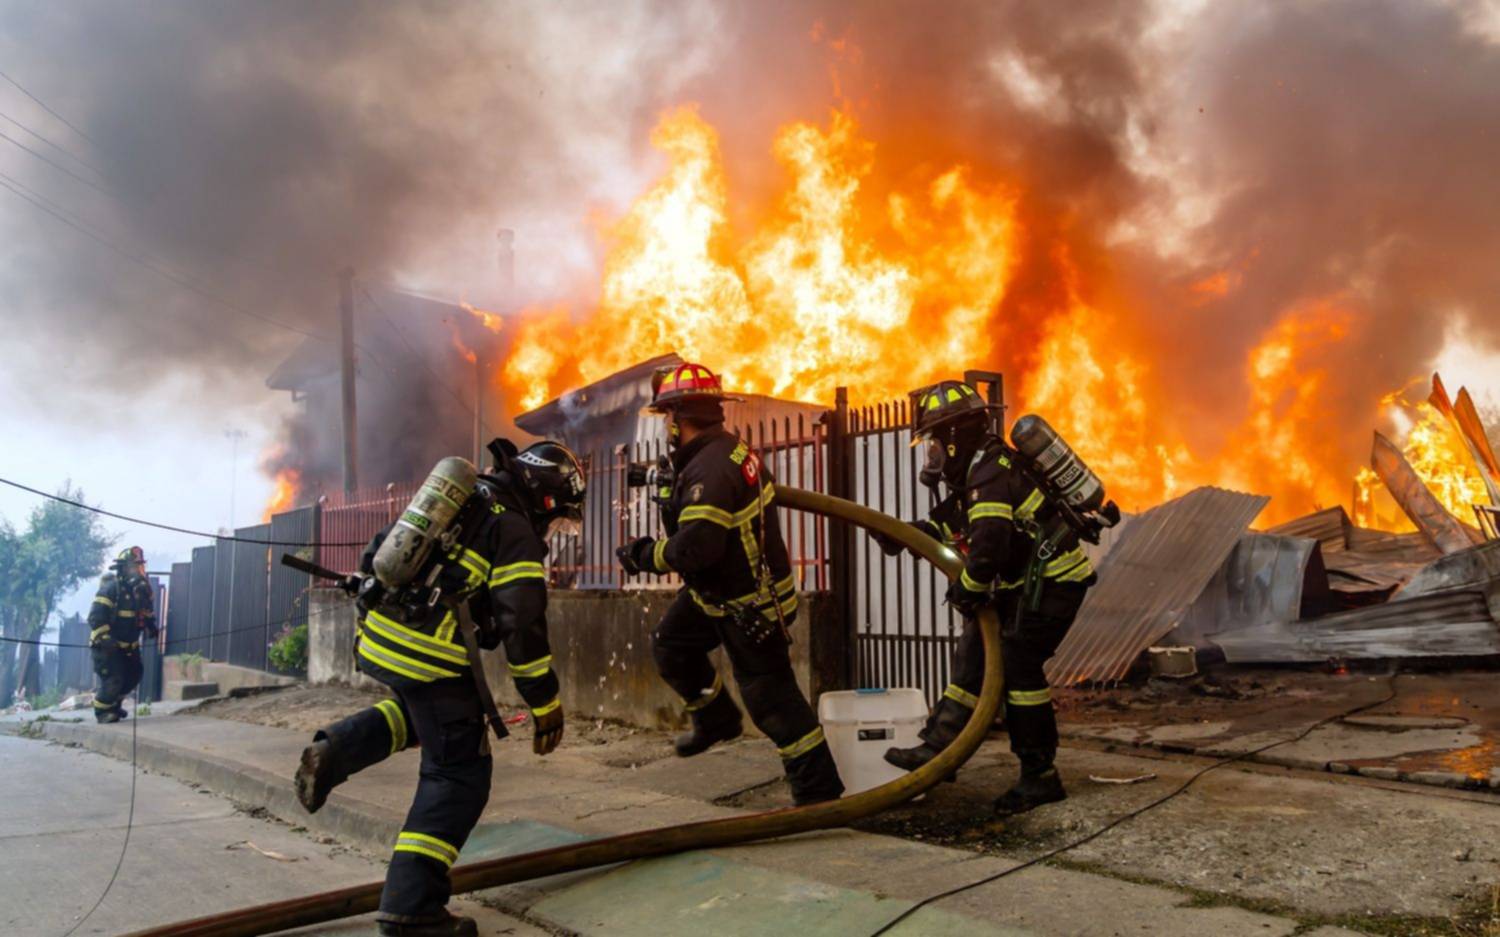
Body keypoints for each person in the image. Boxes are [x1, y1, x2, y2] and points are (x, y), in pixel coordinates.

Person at [294, 439, 584, 937]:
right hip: (428, 655)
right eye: (557, 519)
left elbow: (379, 549)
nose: (553, 530)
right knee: (458, 774)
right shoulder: (513, 529)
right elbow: (522, 625)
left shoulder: (461, 499)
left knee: (424, 716)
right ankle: (412, 909)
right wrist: (546, 703)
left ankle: (336, 751)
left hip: (380, 638)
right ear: (545, 498)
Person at [617, 362, 843, 805]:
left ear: (679, 418)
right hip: (715, 594)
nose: (667, 428)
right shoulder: (724, 453)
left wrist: (644, 555)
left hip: (750, 605)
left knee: (773, 704)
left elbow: (696, 548)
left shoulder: (710, 469)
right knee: (672, 644)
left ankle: (819, 797)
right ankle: (717, 718)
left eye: (668, 419)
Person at [879, 380, 1096, 816]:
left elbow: (990, 543)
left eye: (934, 441)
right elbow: (956, 525)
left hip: (1054, 583)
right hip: (1026, 586)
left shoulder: (990, 469)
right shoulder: (979, 469)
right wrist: (902, 535)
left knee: (1018, 668)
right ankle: (939, 749)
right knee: (974, 652)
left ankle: (1040, 776)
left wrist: (969, 589)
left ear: (954, 438)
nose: (932, 453)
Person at [88, 546, 157, 723]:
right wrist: (105, 638)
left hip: (129, 646)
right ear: (123, 568)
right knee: (114, 678)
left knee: (134, 675)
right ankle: (102, 712)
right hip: (107, 647)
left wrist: (151, 626)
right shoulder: (112, 589)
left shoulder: (139, 592)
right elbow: (96, 617)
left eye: (139, 566)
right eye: (133, 567)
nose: (137, 571)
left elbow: (145, 612)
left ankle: (114, 707)